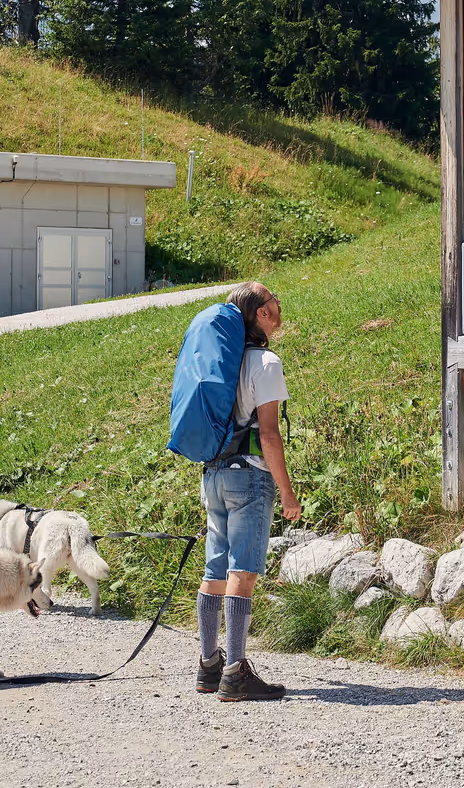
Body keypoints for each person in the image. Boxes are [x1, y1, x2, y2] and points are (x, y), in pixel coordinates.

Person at [195, 281, 302, 702]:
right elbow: (270, 436)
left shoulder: (225, 362)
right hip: (249, 478)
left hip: (214, 475)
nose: (279, 304)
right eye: (274, 299)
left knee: (214, 571)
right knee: (242, 573)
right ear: (260, 314)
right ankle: (236, 673)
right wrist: (288, 493)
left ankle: (209, 666)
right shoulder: (266, 363)